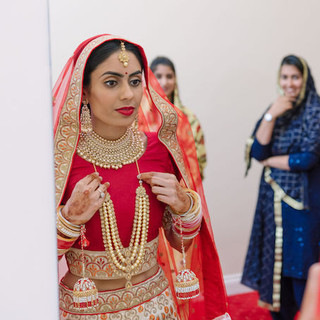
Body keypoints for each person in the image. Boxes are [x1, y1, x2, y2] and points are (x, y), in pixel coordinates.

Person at [53, 34, 230, 320]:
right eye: (112, 82)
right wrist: (69, 219)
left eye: (135, 81)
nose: (128, 94)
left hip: (156, 306)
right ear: (83, 90)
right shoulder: (61, 157)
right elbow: (31, 260)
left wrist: (185, 206)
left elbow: (178, 241)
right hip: (87, 311)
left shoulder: (159, 148)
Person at [242, 55, 320, 320]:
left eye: (295, 77)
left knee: (302, 267)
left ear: (305, 79)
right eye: (285, 77)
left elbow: (307, 158)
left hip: (304, 205)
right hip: (273, 206)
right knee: (277, 272)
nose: (290, 83)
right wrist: (271, 114)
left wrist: (270, 161)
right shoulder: (276, 108)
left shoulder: (315, 111)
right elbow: (257, 149)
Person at [150, 57, 207, 179]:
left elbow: (199, 159)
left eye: (169, 76)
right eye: (158, 76)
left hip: (182, 187)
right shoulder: (138, 117)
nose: (164, 82)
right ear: (150, 79)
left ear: (175, 80)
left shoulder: (188, 117)